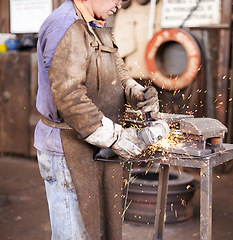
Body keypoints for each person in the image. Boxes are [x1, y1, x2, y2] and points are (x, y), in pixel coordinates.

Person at [34, 0, 168, 239]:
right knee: (74, 235)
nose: (121, 3)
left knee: (97, 231)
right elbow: (70, 98)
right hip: (68, 149)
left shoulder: (94, 22)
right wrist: (116, 137)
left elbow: (116, 69)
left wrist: (133, 90)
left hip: (94, 145)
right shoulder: (66, 26)